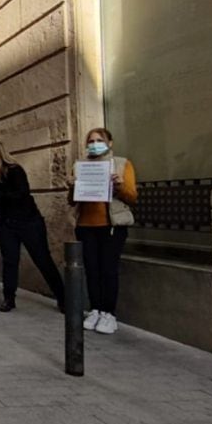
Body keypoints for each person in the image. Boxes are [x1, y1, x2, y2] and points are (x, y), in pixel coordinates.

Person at [0, 140, 65, 313]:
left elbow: (21, 193)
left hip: (29, 221)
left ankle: (63, 297)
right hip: (6, 223)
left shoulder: (15, 170)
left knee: (42, 259)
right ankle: (9, 298)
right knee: (10, 261)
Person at [68, 128, 137, 335]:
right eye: (90, 141)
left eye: (99, 140)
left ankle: (109, 313)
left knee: (108, 269)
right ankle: (96, 309)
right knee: (92, 269)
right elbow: (73, 201)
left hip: (112, 226)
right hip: (86, 226)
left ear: (110, 143)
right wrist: (71, 186)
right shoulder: (80, 166)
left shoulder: (122, 163)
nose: (94, 144)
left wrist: (120, 185)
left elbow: (132, 197)